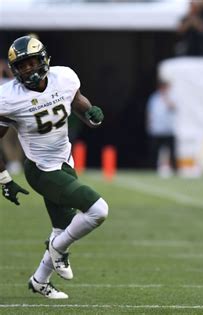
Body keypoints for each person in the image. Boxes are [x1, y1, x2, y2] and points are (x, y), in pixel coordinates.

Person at [0, 35, 109, 298]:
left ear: (44, 59)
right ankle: (57, 248)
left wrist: (91, 113)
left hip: (65, 161)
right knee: (98, 210)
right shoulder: (9, 97)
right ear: (15, 70)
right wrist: (4, 178)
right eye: (22, 66)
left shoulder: (64, 78)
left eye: (32, 62)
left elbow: (78, 100)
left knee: (62, 228)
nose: (28, 69)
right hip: (41, 170)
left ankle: (40, 280)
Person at [146, 79, 177, 175]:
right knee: (154, 151)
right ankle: (153, 168)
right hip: (157, 129)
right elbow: (150, 112)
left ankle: (174, 169)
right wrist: (149, 125)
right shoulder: (154, 98)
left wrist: (166, 98)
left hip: (168, 130)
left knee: (171, 152)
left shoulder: (171, 97)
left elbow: (173, 107)